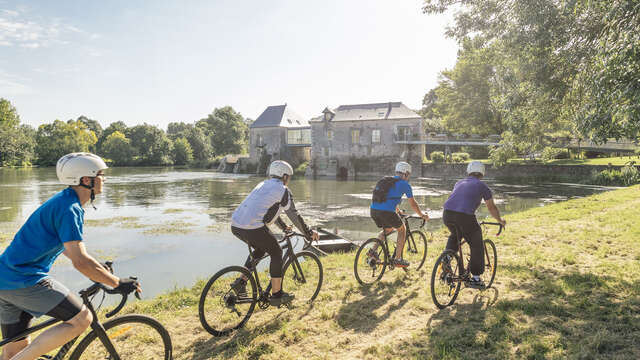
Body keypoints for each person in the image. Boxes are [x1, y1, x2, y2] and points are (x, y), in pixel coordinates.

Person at [0, 153, 141, 360]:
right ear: (86, 180)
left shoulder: (62, 201)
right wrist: (116, 282)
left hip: (4, 279)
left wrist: (97, 269)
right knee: (83, 318)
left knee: (14, 350)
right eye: (101, 174)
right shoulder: (70, 209)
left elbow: (67, 248)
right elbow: (80, 261)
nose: (104, 179)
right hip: (24, 280)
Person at [230, 160, 319, 306]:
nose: (288, 180)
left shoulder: (262, 185)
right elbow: (294, 215)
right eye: (289, 177)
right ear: (284, 176)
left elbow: (270, 211)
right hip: (252, 226)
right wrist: (309, 233)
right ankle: (277, 295)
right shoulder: (283, 190)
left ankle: (241, 282)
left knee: (260, 248)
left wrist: (283, 227)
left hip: (236, 225)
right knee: (276, 252)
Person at [442, 161, 506, 289]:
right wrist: (500, 220)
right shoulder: (483, 186)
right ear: (482, 173)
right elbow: (491, 208)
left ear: (468, 171)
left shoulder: (459, 183)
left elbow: (456, 199)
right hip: (465, 216)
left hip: (447, 213)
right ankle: (476, 279)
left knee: (455, 234)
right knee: (477, 245)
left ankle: (446, 260)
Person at [369, 161, 429, 267]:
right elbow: (413, 204)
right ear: (405, 174)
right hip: (386, 212)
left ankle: (372, 251)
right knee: (402, 230)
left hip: (373, 210)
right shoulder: (405, 185)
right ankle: (398, 259)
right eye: (408, 175)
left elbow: (389, 199)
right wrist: (421, 215)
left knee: (387, 230)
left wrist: (398, 211)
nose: (408, 177)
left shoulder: (387, 181)